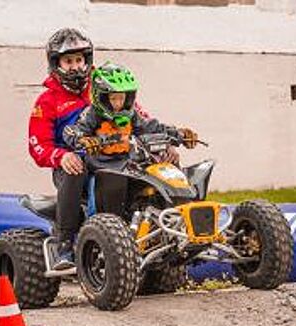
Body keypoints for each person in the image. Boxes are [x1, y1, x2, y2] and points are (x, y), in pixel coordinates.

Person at [28, 28, 182, 270]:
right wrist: (62, 155)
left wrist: (165, 144)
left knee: (161, 163)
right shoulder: (47, 101)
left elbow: (141, 120)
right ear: (56, 64)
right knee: (74, 170)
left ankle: (173, 229)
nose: (75, 67)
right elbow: (37, 145)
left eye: (79, 60)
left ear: (87, 60)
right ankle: (65, 244)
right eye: (68, 61)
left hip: (117, 158)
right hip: (75, 162)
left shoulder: (108, 89)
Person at [62, 61, 198, 228]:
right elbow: (70, 131)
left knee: (162, 172)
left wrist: (179, 134)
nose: (118, 103)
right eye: (113, 98)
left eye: (122, 98)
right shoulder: (91, 115)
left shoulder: (132, 115)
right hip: (101, 170)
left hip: (129, 167)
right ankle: (93, 230)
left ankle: (177, 217)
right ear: (101, 97)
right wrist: (82, 139)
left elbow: (152, 127)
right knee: (99, 206)